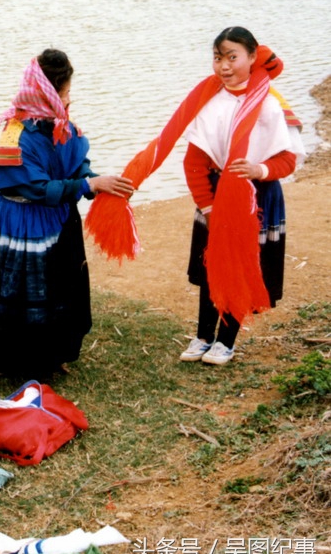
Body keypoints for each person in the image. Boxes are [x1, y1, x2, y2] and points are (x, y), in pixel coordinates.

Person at [84, 27, 304, 366]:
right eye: (218, 58)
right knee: (211, 266)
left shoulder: (270, 105)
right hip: (216, 196)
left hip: (256, 198)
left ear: (251, 56)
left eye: (233, 57)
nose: (224, 66)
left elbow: (287, 161)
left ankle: (226, 341)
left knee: (240, 267)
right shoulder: (209, 102)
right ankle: (203, 334)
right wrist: (208, 206)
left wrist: (258, 170)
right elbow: (194, 162)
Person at [0, 49, 134, 379]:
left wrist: (100, 182)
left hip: (57, 221)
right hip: (20, 222)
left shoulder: (62, 127)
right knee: (24, 292)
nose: (69, 100)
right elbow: (36, 188)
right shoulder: (15, 132)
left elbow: (77, 166)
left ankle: (52, 355)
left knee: (59, 290)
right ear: (50, 93)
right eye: (65, 93)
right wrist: (88, 185)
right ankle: (12, 360)